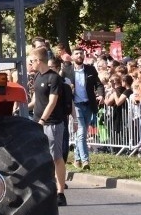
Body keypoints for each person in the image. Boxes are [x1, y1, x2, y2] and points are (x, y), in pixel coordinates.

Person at [31, 46, 68, 206]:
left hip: (52, 123)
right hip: (38, 122)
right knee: (40, 158)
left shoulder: (54, 78)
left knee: (56, 158)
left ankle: (60, 193)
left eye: (32, 61)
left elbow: (52, 102)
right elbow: (35, 101)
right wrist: (20, 105)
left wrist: (42, 120)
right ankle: (45, 189)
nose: (30, 63)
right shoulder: (38, 76)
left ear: (39, 61)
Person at [70, 48, 104, 170]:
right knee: (82, 132)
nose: (79, 55)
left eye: (81, 54)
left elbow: (98, 84)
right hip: (75, 105)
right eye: (77, 54)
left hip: (88, 104)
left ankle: (77, 159)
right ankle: (85, 161)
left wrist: (101, 95)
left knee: (82, 134)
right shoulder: (67, 71)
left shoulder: (90, 69)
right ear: (72, 56)